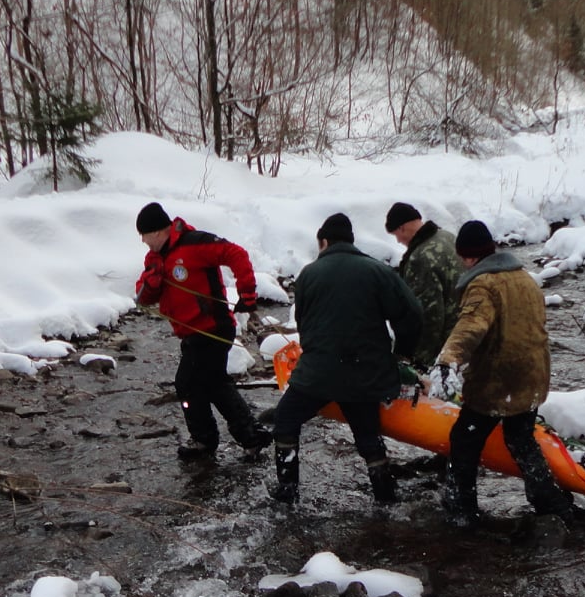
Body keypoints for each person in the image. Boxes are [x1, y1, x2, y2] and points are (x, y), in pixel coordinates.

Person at [436, 219, 585, 528]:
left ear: (468, 256)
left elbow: (470, 328)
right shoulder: (524, 278)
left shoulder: (483, 285)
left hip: (498, 381)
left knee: (464, 439)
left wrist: (447, 360)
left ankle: (462, 510)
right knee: (520, 439)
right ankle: (551, 503)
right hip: (533, 377)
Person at [272, 212, 423, 505]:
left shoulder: (308, 274)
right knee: (367, 434)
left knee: (286, 420)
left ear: (324, 242)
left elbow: (304, 324)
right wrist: (400, 355)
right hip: (366, 373)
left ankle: (287, 492)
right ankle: (385, 496)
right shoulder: (378, 271)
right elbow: (413, 315)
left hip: (318, 374)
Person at [134, 202, 271, 458]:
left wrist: (247, 293)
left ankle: (209, 440)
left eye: (144, 235)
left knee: (189, 383)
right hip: (190, 333)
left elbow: (236, 253)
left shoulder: (195, 243)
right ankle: (247, 436)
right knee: (210, 384)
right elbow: (142, 297)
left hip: (213, 329)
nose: (143, 241)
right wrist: (151, 283)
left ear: (155, 231)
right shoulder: (155, 258)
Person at [385, 202, 465, 369]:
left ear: (403, 228)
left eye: (396, 235)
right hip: (465, 336)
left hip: (444, 349)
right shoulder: (448, 237)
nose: (398, 241)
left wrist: (420, 361)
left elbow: (429, 315)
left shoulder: (420, 258)